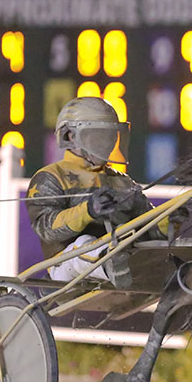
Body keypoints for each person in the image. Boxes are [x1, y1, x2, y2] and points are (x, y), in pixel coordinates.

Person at [26, 97, 164, 288]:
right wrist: (88, 211)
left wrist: (169, 220)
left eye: (110, 136)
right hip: (65, 266)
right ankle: (112, 263)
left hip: (119, 254)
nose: (106, 143)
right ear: (70, 136)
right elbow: (46, 228)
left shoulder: (121, 180)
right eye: (97, 135)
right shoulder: (50, 177)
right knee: (86, 242)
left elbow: (148, 224)